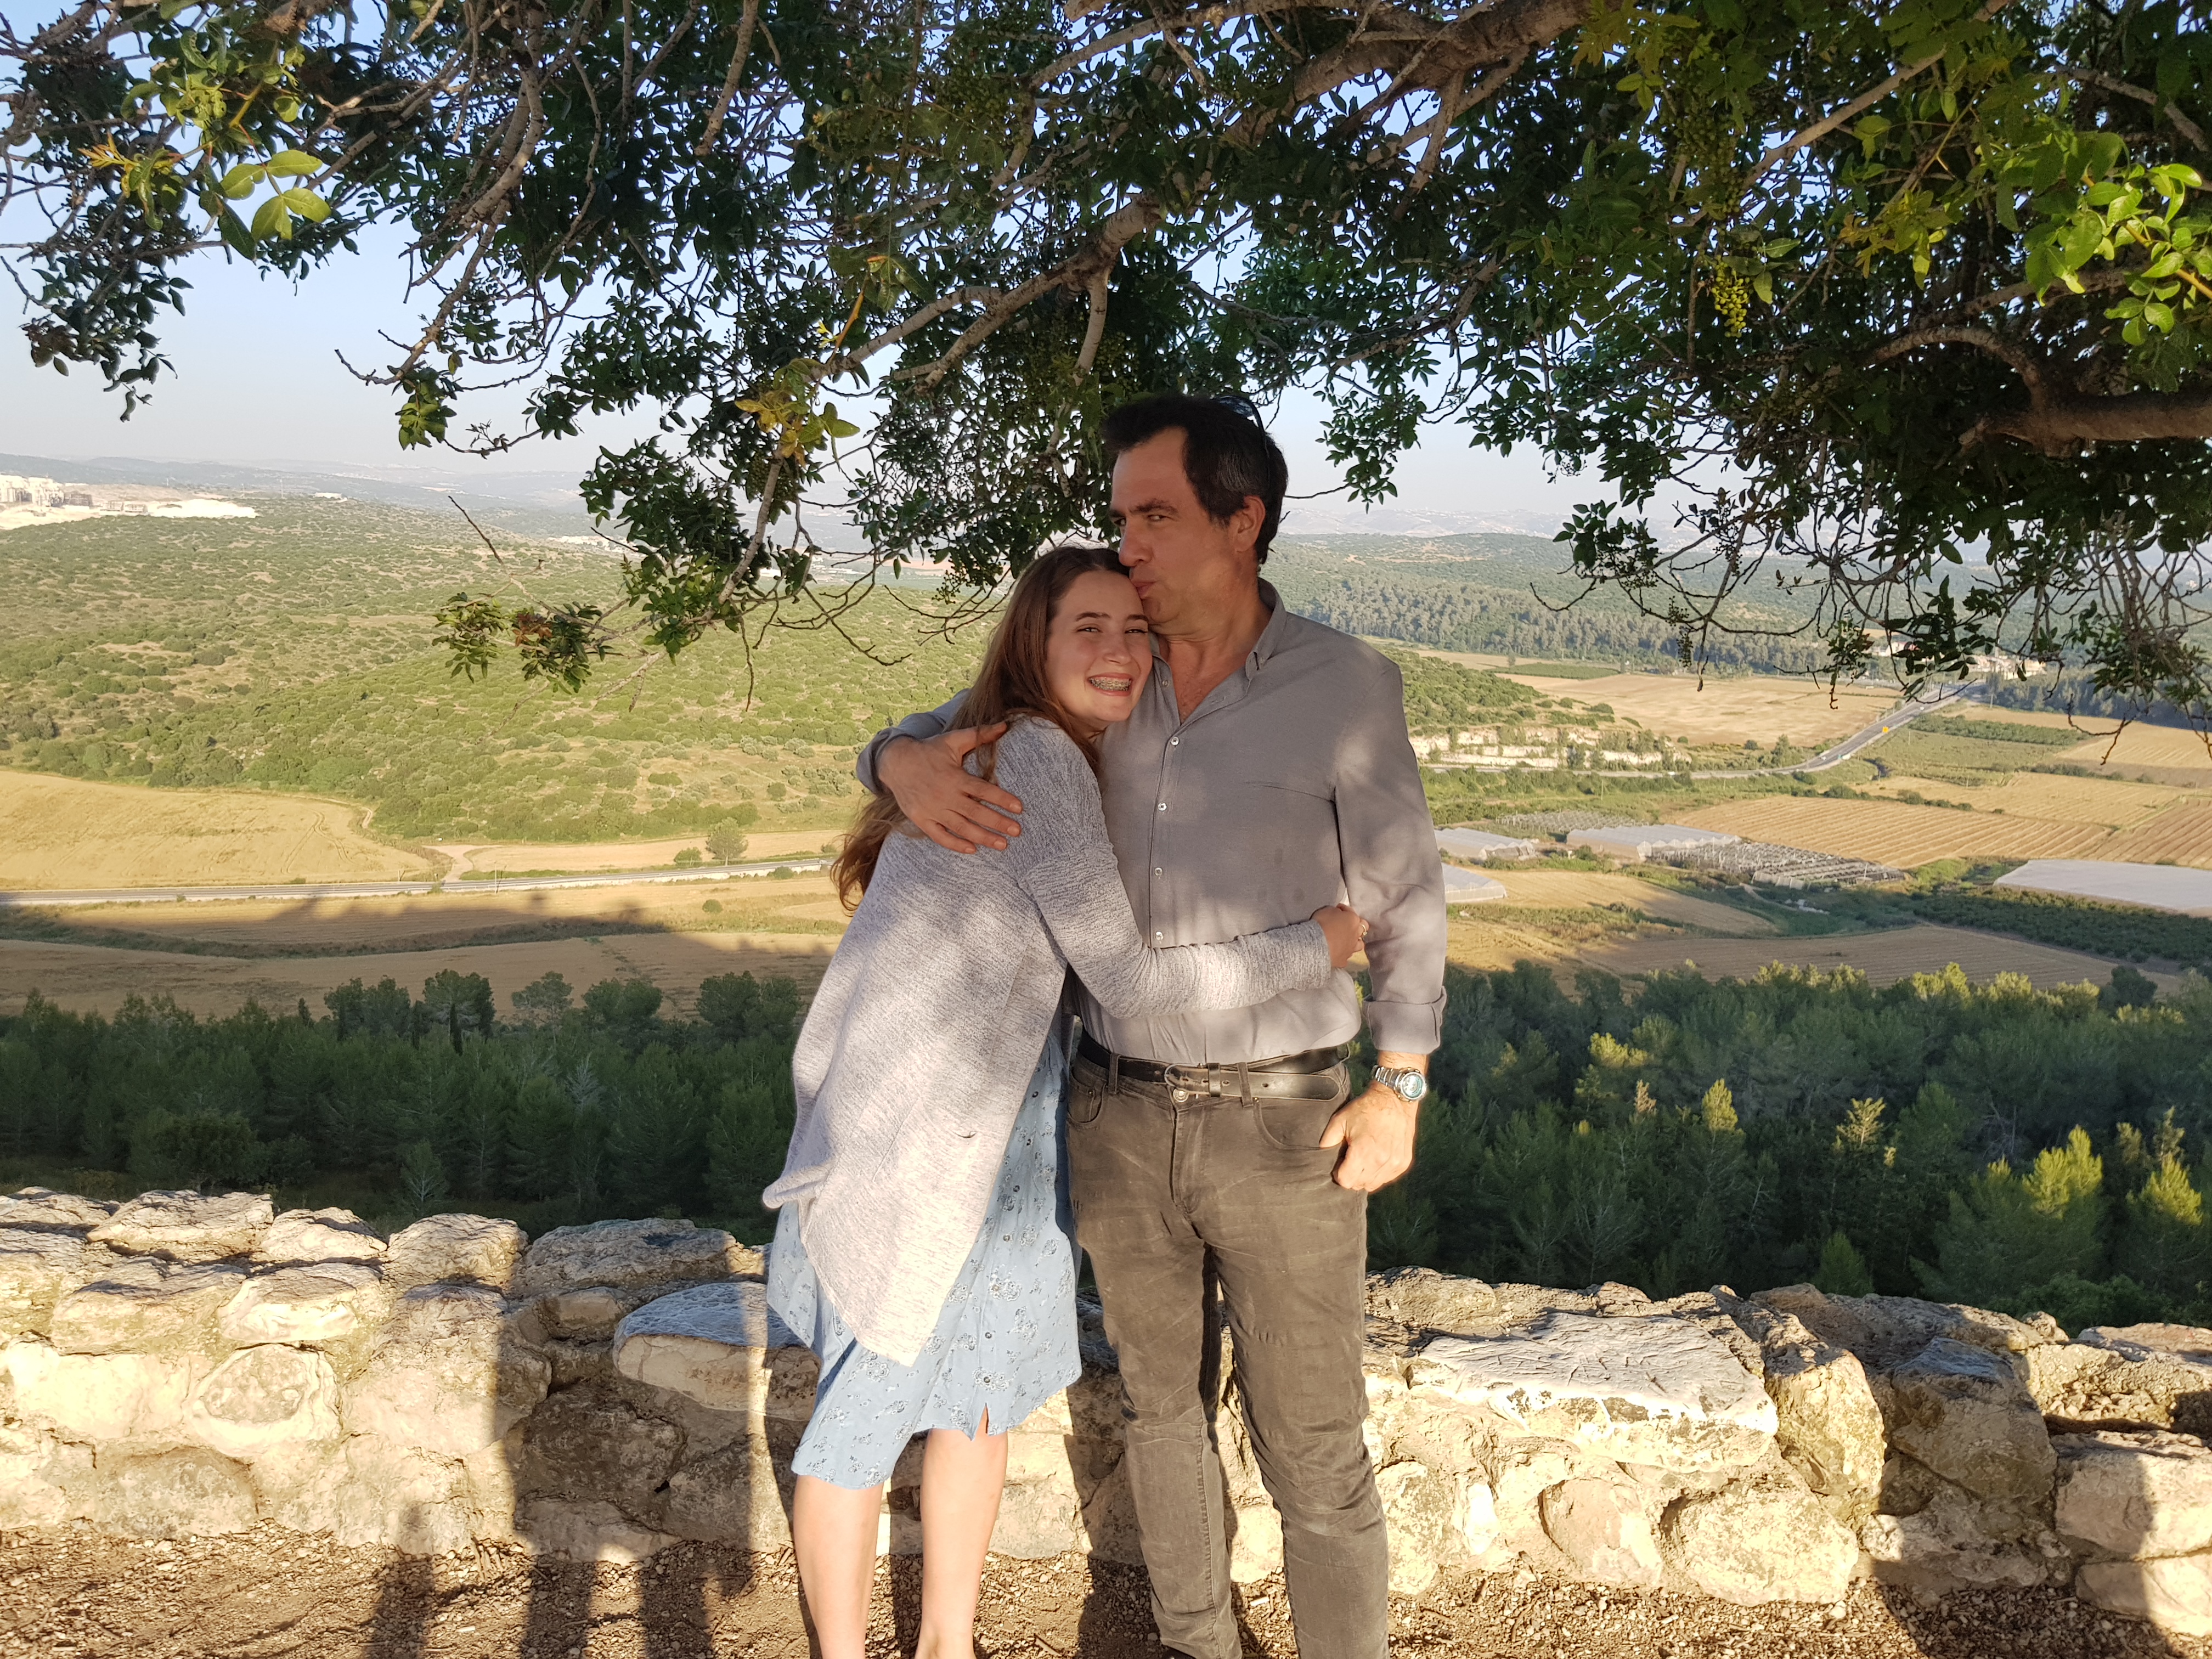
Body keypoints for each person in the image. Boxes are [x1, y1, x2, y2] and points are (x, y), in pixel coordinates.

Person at [860, 396, 1447, 1659]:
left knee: (1314, 1444)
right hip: (1115, 1111)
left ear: (1244, 522)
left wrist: (1399, 1083)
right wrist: (893, 762)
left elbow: (1404, 897)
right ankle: (1194, 1644)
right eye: (1122, 517)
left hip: (1288, 1123)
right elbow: (958, 723)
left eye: (1155, 517)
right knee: (1160, 1419)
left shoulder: (1344, 686)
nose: (1127, 544)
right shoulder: (1110, 675)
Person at [765, 540, 1370, 1659]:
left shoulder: (1045, 737)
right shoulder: (1040, 754)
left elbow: (906, 738)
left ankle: (948, 1644)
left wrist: (891, 755)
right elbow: (1129, 981)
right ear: (1032, 646)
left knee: (978, 1394)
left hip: (1003, 1129)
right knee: (864, 1418)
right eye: (1087, 627)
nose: (1119, 650)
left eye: (1135, 629)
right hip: (924, 1136)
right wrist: (1317, 946)